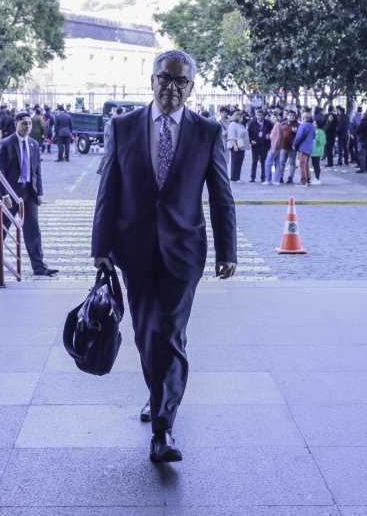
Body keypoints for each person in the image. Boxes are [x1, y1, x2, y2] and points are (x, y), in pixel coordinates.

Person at [92, 49, 237, 464]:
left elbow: (221, 195)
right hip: (133, 248)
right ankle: (158, 392)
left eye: (181, 81)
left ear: (192, 88)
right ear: (151, 80)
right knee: (145, 333)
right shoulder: (122, 126)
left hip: (185, 251)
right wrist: (100, 248)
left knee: (170, 335)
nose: (172, 87)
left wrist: (227, 250)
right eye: (165, 79)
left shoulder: (208, 131)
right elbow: (108, 190)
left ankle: (163, 427)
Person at [0, 111, 59, 277]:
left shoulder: (34, 144)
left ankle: (38, 266)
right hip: (10, 192)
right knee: (2, 227)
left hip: (29, 193)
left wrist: (39, 193)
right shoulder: (6, 143)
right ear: (16, 124)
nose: (28, 126)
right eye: (24, 123)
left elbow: (37, 171)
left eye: (30, 123)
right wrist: (4, 195)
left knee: (33, 229)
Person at [247, 108, 271, 183]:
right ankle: (253, 177)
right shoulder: (252, 123)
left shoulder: (268, 123)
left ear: (264, 116)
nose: (260, 117)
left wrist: (269, 136)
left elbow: (271, 132)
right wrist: (251, 141)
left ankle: (263, 177)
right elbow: (249, 134)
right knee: (254, 161)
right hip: (255, 145)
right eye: (258, 115)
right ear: (256, 116)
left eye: (261, 115)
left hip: (264, 145)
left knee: (264, 162)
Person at [293, 112, 315, 186]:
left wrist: (294, 144)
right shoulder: (312, 126)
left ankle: (303, 181)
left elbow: (298, 136)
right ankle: (308, 179)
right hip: (309, 147)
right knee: (306, 164)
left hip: (302, 148)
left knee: (302, 165)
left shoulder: (302, 125)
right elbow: (314, 136)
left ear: (303, 118)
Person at [226, 109, 248, 183]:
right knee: (234, 161)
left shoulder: (241, 125)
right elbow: (231, 136)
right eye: (241, 116)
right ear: (237, 117)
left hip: (241, 143)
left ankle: (237, 177)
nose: (242, 118)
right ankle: (233, 178)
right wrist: (235, 145)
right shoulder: (233, 124)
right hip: (235, 143)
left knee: (239, 161)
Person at [311, 118, 326, 184]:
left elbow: (323, 142)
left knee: (316, 164)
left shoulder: (321, 131)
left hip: (317, 151)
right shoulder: (312, 130)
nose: (314, 125)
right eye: (313, 123)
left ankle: (317, 178)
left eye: (315, 123)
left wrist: (318, 139)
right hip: (311, 150)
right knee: (314, 164)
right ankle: (316, 177)